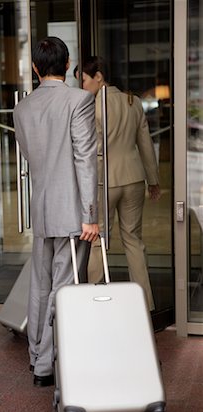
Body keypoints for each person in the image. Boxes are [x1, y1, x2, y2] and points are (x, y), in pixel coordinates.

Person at [13, 37, 99, 387]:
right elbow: (84, 159)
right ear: (67, 65)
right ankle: (49, 365)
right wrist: (90, 214)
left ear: (35, 68)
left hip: (43, 209)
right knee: (63, 289)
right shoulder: (79, 100)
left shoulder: (23, 108)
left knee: (39, 286)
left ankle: (37, 359)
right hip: (72, 214)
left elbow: (34, 158)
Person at [76, 56, 160, 312]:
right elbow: (145, 144)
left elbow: (86, 148)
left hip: (104, 181)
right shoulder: (132, 101)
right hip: (134, 178)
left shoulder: (91, 106)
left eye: (84, 80)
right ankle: (145, 303)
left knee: (97, 238)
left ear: (98, 77)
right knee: (133, 239)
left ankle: (94, 301)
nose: (82, 86)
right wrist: (153, 180)